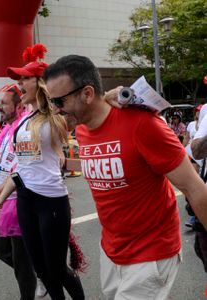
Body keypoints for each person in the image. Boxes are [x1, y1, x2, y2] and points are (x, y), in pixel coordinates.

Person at [43, 54, 207, 299]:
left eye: (59, 100)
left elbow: (194, 188)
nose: (55, 108)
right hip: (111, 253)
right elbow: (108, 161)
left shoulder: (143, 124)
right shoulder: (83, 130)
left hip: (152, 253)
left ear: (87, 94)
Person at [0, 44, 85, 300]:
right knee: (41, 269)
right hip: (25, 200)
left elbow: (87, 110)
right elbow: (22, 169)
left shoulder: (56, 115)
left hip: (51, 201)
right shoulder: (24, 122)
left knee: (56, 269)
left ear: (41, 83)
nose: (20, 83)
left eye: (26, 78)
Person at [0, 83, 40, 300]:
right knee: (2, 252)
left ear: (18, 107)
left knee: (22, 265)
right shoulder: (6, 131)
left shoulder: (25, 130)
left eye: (3, 103)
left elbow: (22, 170)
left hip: (18, 201)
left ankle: (32, 286)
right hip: (2, 199)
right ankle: (40, 272)